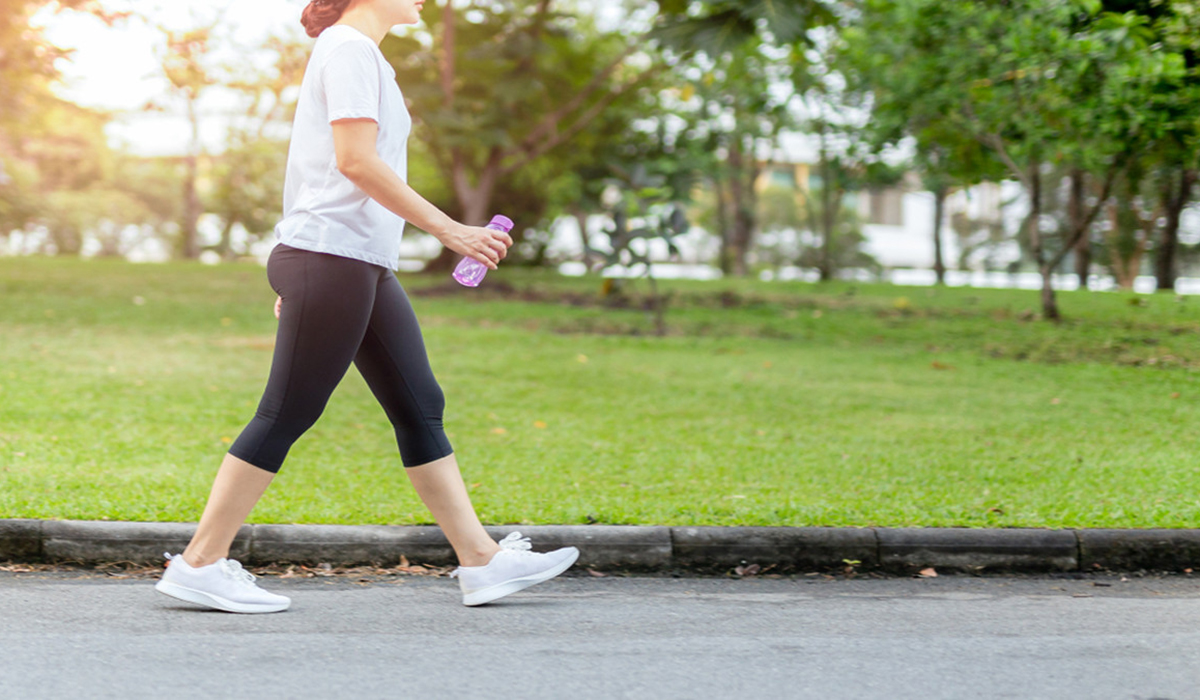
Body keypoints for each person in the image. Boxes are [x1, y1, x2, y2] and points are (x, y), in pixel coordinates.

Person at [154, 0, 578, 613]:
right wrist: (451, 231)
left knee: (419, 403)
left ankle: (481, 560)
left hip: (353, 264)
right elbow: (354, 162)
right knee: (287, 411)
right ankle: (200, 562)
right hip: (333, 260)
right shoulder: (348, 49)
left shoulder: (364, 55)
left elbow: (325, 170)